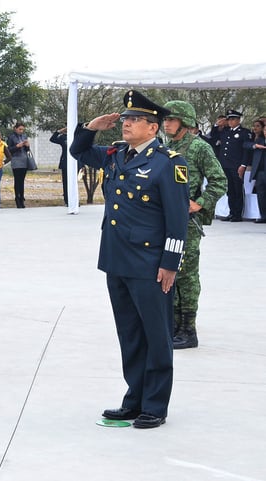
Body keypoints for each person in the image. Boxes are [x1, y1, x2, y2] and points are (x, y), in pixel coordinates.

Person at [70, 90, 189, 429]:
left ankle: (155, 405)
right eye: (125, 119)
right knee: (130, 335)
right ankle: (134, 399)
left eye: (135, 119)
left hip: (151, 264)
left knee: (156, 334)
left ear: (153, 128)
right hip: (117, 259)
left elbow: (177, 218)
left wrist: (170, 263)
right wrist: (92, 126)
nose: (126, 123)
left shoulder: (168, 162)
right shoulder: (116, 155)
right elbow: (78, 151)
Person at [162, 101, 227, 350]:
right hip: (166, 221)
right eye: (165, 120)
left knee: (186, 276)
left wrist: (199, 203)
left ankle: (188, 329)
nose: (166, 123)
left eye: (171, 119)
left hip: (187, 223)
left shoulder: (199, 147)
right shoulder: (167, 148)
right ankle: (174, 323)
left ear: (185, 122)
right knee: (169, 273)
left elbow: (219, 180)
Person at [208, 109, 251, 221]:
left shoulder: (244, 132)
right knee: (230, 190)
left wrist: (243, 165)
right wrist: (217, 124)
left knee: (237, 189)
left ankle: (238, 214)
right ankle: (231, 212)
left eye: (233, 119)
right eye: (229, 120)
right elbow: (213, 136)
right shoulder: (226, 131)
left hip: (236, 165)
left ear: (238, 120)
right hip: (225, 165)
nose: (231, 122)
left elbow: (246, 151)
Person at [243, 118, 266, 223]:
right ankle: (263, 216)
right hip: (261, 172)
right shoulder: (259, 140)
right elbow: (246, 144)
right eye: (265, 131)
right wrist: (255, 145)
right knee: (261, 194)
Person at [7, 122, 31, 208]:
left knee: (22, 181)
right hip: (16, 161)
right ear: (15, 128)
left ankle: (22, 198)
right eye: (20, 129)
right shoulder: (11, 137)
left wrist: (27, 146)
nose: (21, 131)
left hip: (24, 160)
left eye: (22, 130)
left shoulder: (24, 137)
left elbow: (27, 150)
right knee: (17, 181)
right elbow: (9, 150)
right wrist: (17, 146)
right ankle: (17, 198)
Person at [49, 127, 68, 206]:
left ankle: (74, 200)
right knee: (66, 182)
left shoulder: (77, 136)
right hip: (65, 162)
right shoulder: (63, 137)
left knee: (74, 183)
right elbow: (52, 139)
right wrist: (59, 131)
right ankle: (67, 200)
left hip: (75, 162)